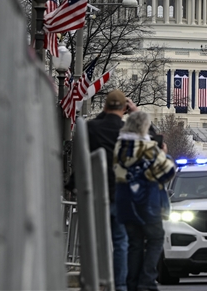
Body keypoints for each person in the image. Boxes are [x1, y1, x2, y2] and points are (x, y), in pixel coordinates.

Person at [66, 90, 137, 291]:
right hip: (123, 196)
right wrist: (135, 112)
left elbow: (81, 159)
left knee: (94, 241)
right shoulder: (129, 131)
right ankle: (119, 285)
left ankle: (95, 281)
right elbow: (156, 141)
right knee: (120, 242)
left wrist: (72, 184)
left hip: (96, 194)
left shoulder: (91, 128)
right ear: (124, 108)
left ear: (105, 107)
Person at [114, 110, 175, 291]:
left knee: (135, 243)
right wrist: (164, 154)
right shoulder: (148, 149)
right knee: (156, 239)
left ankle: (132, 283)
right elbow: (168, 172)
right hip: (148, 204)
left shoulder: (119, 147)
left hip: (126, 203)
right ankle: (147, 280)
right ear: (143, 128)